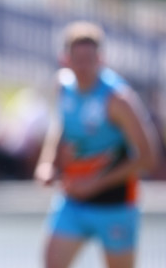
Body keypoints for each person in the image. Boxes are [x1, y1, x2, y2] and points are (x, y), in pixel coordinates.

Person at [34, 21, 159, 268]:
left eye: (89, 60)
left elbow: (148, 158)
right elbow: (62, 124)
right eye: (77, 60)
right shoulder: (63, 86)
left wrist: (95, 184)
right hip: (73, 201)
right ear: (64, 59)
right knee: (51, 262)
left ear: (101, 60)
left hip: (115, 204)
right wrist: (47, 163)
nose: (84, 67)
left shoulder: (118, 100)